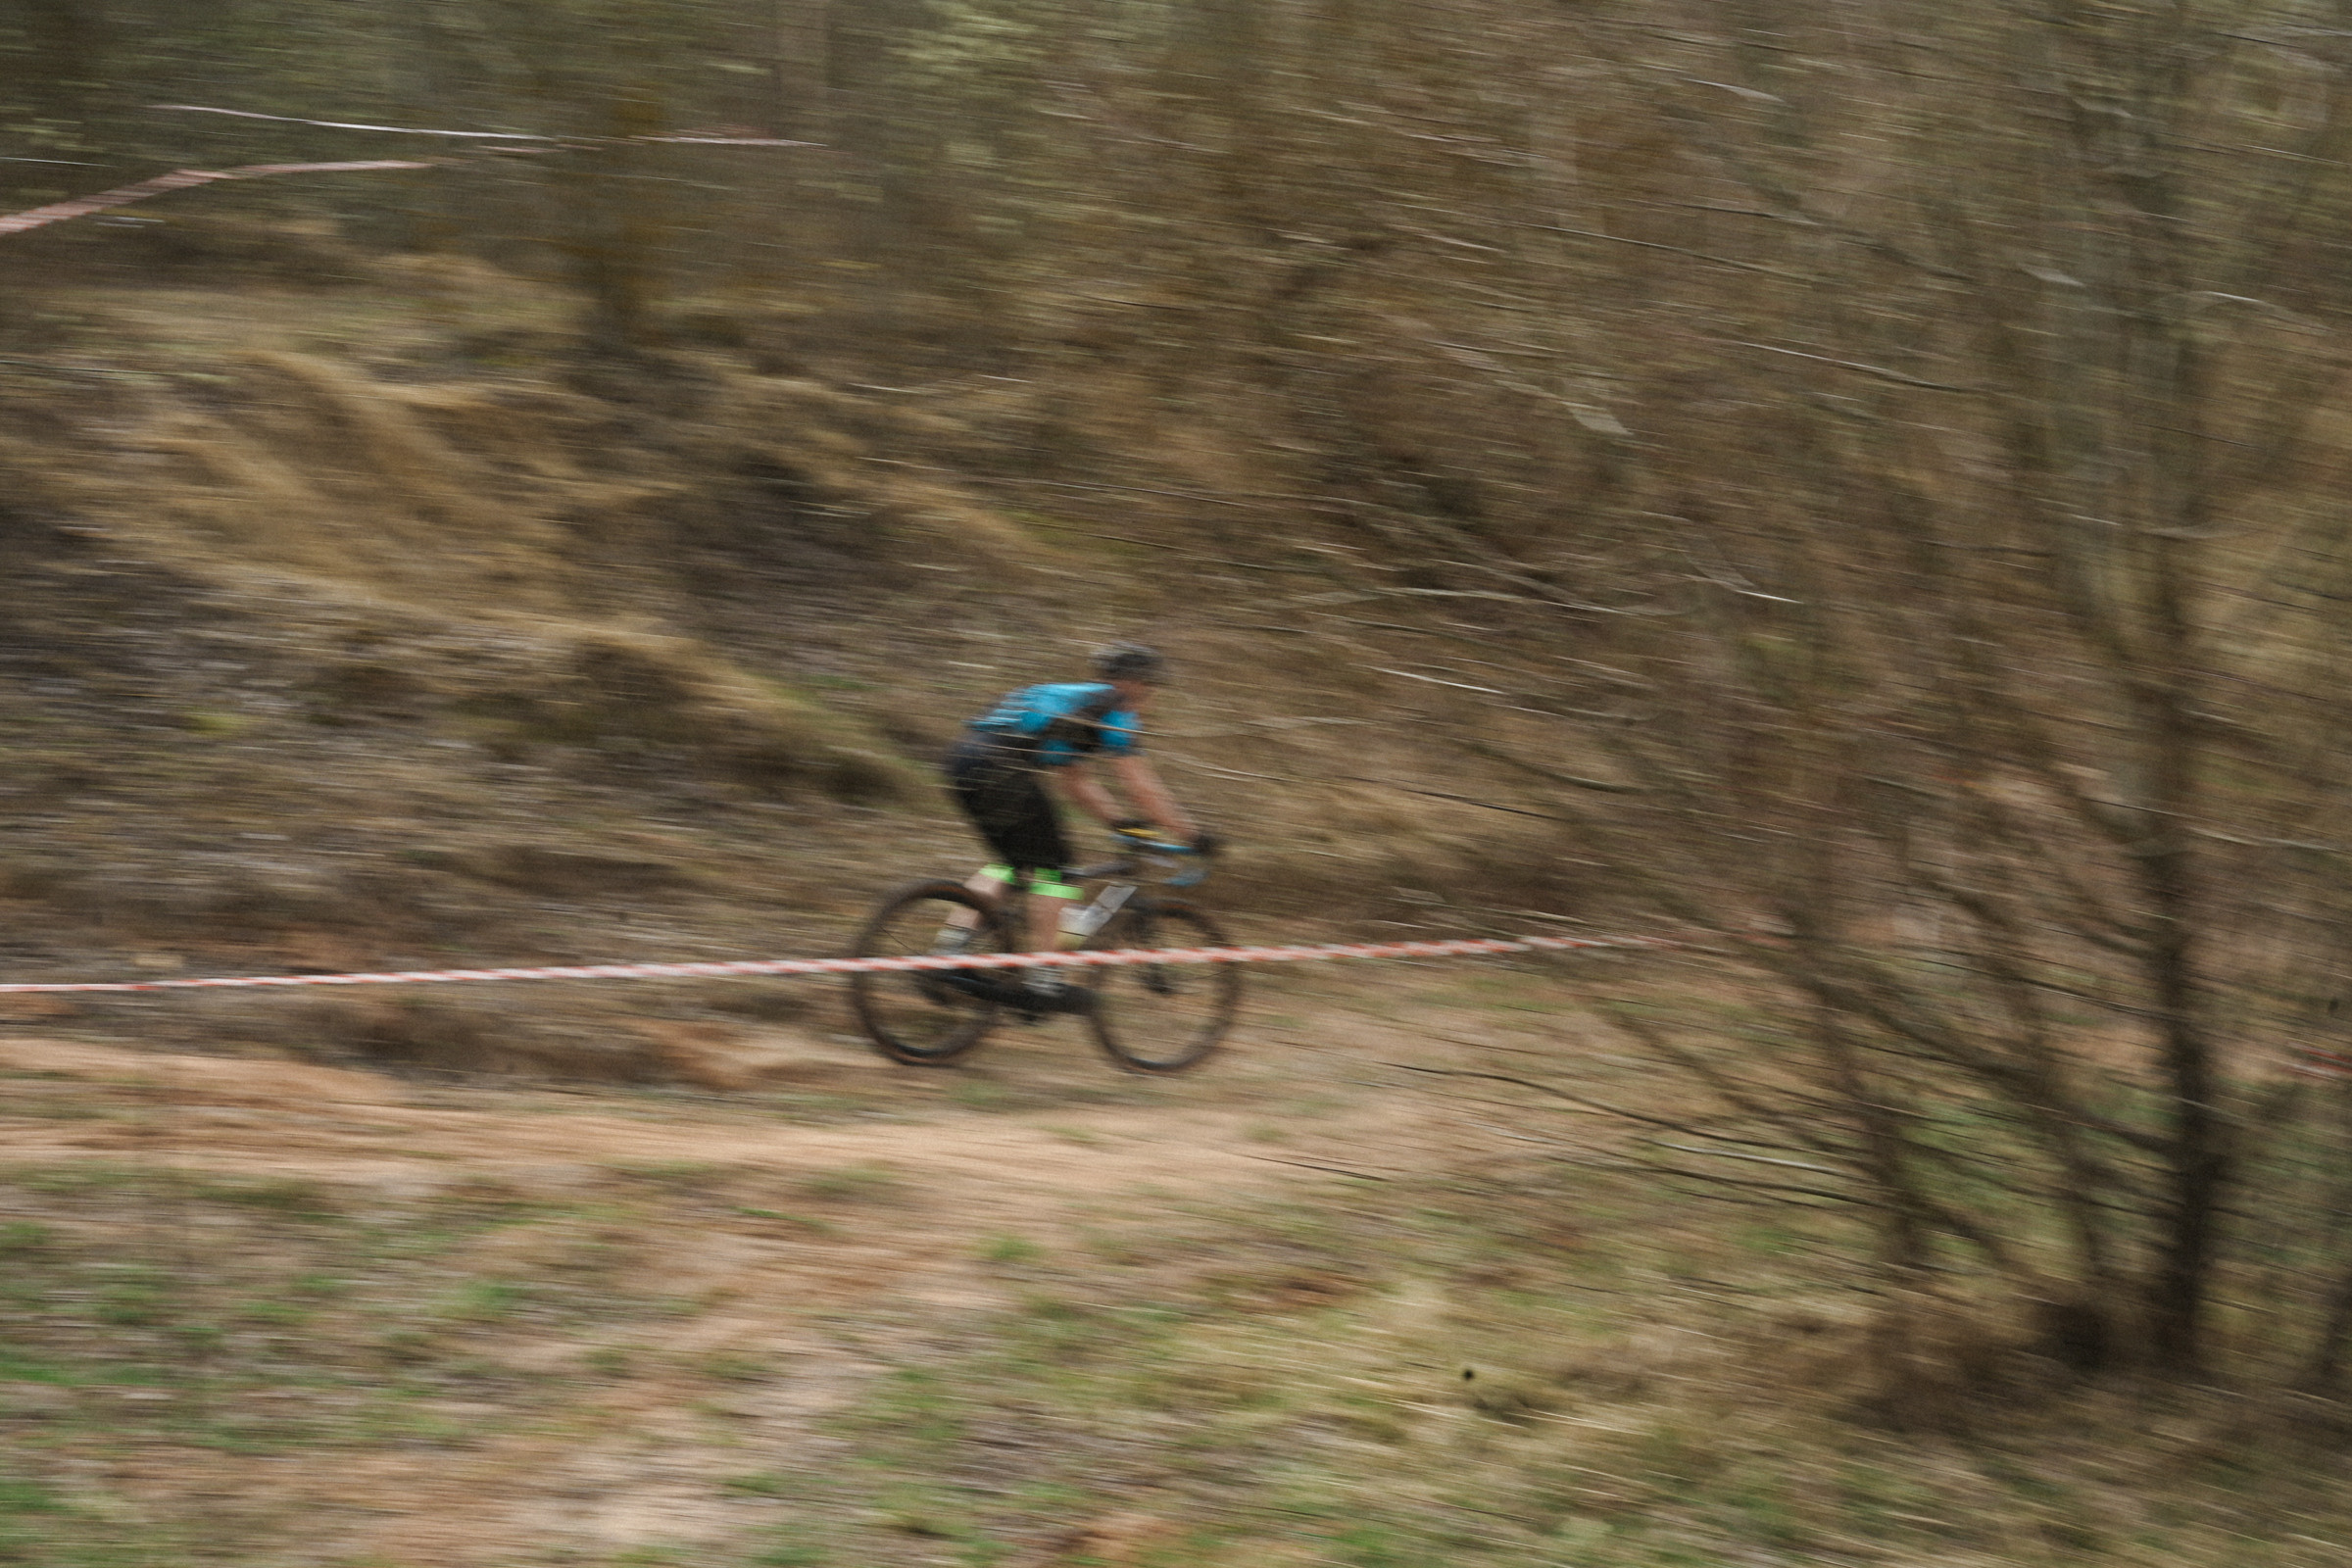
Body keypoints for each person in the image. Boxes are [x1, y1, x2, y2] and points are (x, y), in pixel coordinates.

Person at [941, 643, 1212, 1008]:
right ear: (1134, 683)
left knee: (1013, 864)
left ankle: (948, 952)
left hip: (962, 760)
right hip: (1001, 769)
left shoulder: (1078, 702)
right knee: (1056, 872)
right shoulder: (1116, 706)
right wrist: (1193, 835)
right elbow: (1141, 785)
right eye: (1151, 688)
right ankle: (1045, 980)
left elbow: (1076, 782)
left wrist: (1121, 823)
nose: (1151, 699)